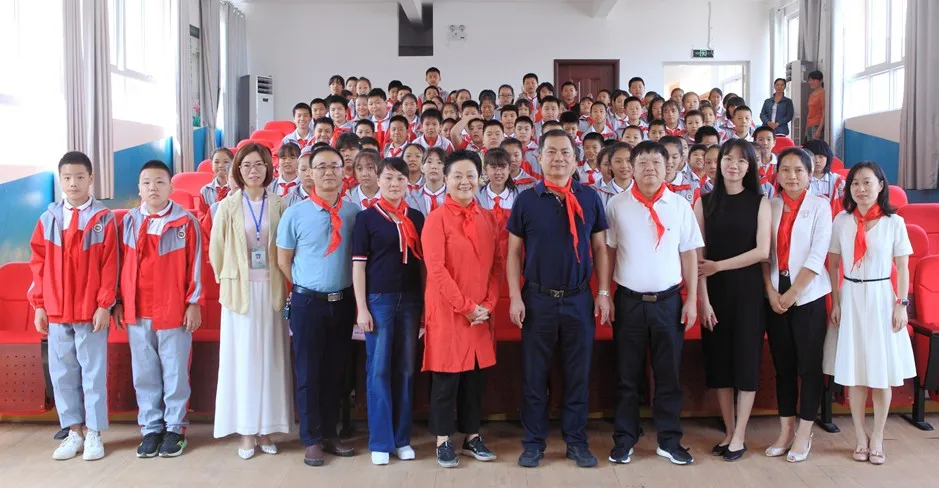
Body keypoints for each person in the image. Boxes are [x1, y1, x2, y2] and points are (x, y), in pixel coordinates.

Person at [506, 130, 612, 469]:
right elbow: (513, 252)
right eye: (551, 152)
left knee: (577, 374)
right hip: (537, 299)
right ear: (539, 157)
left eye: (565, 152)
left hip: (578, 299)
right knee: (534, 375)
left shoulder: (590, 198)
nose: (558, 158)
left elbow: (600, 248)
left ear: (576, 159)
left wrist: (603, 293)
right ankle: (533, 442)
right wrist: (515, 297)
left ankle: (576, 441)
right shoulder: (526, 200)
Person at [605, 140, 702, 466]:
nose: (650, 169)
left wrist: (691, 300)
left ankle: (669, 440)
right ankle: (624, 439)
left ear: (667, 168)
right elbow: (608, 252)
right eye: (643, 163)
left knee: (668, 375)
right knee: (626, 375)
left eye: (656, 163)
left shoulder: (680, 205)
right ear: (631, 168)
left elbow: (689, 254)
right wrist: (605, 294)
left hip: (669, 302)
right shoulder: (617, 205)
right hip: (628, 302)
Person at [823, 161, 915, 465]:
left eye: (867, 182)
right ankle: (860, 437)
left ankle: (877, 436)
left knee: (880, 372)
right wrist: (836, 302)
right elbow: (833, 265)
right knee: (855, 372)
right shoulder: (842, 220)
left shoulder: (894, 223)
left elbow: (903, 267)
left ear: (880, 186)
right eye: (855, 183)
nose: (860, 189)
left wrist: (901, 304)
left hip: (881, 298)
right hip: (850, 296)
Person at [29, 151, 118, 461]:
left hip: (91, 312)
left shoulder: (103, 218)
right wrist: (40, 305)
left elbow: (111, 265)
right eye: (67, 178)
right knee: (62, 373)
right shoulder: (48, 218)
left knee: (92, 373)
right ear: (60, 180)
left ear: (91, 178)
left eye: (79, 177)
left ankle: (94, 432)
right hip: (56, 311)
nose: (73, 183)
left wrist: (105, 305)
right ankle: (74, 431)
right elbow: (38, 265)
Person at [276, 146, 361, 467]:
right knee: (309, 372)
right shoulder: (294, 213)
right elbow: (283, 260)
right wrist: (306, 285)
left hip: (343, 302)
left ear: (343, 172)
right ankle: (311, 439)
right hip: (307, 303)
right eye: (321, 167)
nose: (328, 172)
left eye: (334, 166)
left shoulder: (353, 213)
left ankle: (330, 433)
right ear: (310, 173)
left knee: (336, 372)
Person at [115, 160, 203, 458]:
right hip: (137, 311)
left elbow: (196, 266)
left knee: (175, 372)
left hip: (173, 311)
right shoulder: (128, 222)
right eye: (147, 183)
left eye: (159, 182)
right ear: (139, 188)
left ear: (171, 187)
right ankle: (151, 428)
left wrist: (193, 302)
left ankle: (175, 428)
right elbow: (117, 266)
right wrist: (118, 302)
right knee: (144, 373)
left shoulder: (186, 222)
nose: (153, 188)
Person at [209, 144, 292, 459]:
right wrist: (228, 280)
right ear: (238, 171)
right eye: (246, 165)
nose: (253, 170)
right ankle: (246, 431)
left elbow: (286, 248)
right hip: (240, 294)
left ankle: (265, 428)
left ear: (268, 168)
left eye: (259, 164)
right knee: (243, 362)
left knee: (270, 360)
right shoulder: (227, 205)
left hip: (272, 290)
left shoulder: (280, 204)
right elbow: (217, 251)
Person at [422, 150, 504, 468]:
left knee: (473, 377)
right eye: (457, 175)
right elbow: (436, 269)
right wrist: (466, 307)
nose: (464, 181)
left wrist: (488, 305)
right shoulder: (436, 219)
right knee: (447, 378)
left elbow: (496, 266)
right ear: (446, 179)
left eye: (470, 175)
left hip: (480, 314)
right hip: (448, 312)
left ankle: (472, 437)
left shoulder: (488, 218)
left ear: (479, 179)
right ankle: (443, 441)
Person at [694, 138, 771, 462]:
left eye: (741, 160)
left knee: (745, 362)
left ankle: (740, 435)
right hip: (715, 294)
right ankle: (728, 431)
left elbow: (762, 252)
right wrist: (703, 299)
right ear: (719, 163)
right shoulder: (704, 202)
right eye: (728, 159)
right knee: (720, 366)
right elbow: (698, 258)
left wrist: (719, 266)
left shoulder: (760, 202)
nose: (733, 165)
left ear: (749, 166)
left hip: (748, 293)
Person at [352, 157, 426, 466]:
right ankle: (380, 441)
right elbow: (358, 266)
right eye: (389, 178)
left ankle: (401, 439)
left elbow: (423, 266)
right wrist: (362, 308)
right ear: (378, 180)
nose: (394, 184)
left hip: (410, 301)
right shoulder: (366, 218)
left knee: (406, 369)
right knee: (379, 370)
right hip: (378, 301)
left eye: (400, 179)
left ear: (408, 183)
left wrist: (425, 305)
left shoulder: (417, 217)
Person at [761, 148, 832, 463]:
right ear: (777, 174)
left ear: (810, 174)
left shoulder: (820, 206)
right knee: (784, 367)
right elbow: (764, 254)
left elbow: (817, 256)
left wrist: (791, 294)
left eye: (799, 170)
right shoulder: (769, 206)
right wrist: (771, 291)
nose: (792, 176)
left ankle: (804, 432)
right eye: (786, 170)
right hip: (775, 293)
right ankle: (786, 430)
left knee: (809, 367)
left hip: (808, 295)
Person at [802, 139, 845, 203]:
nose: (817, 161)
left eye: (821, 157)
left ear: (828, 158)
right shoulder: (800, 180)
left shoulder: (838, 181)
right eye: (813, 157)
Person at [596, 142, 634, 207]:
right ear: (610, 165)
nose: (624, 166)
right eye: (618, 161)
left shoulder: (644, 191)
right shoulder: (599, 194)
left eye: (629, 160)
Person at [199, 147, 234, 215]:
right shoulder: (205, 191)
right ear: (212, 165)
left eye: (226, 162)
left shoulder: (237, 188)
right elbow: (202, 216)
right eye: (216, 162)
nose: (221, 165)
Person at [806, 71, 825, 140]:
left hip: (817, 126)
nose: (811, 82)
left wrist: (819, 130)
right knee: (810, 146)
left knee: (816, 146)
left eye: (814, 80)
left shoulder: (823, 94)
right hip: (809, 125)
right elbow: (810, 112)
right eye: (810, 80)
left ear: (821, 80)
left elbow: (824, 114)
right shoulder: (811, 94)